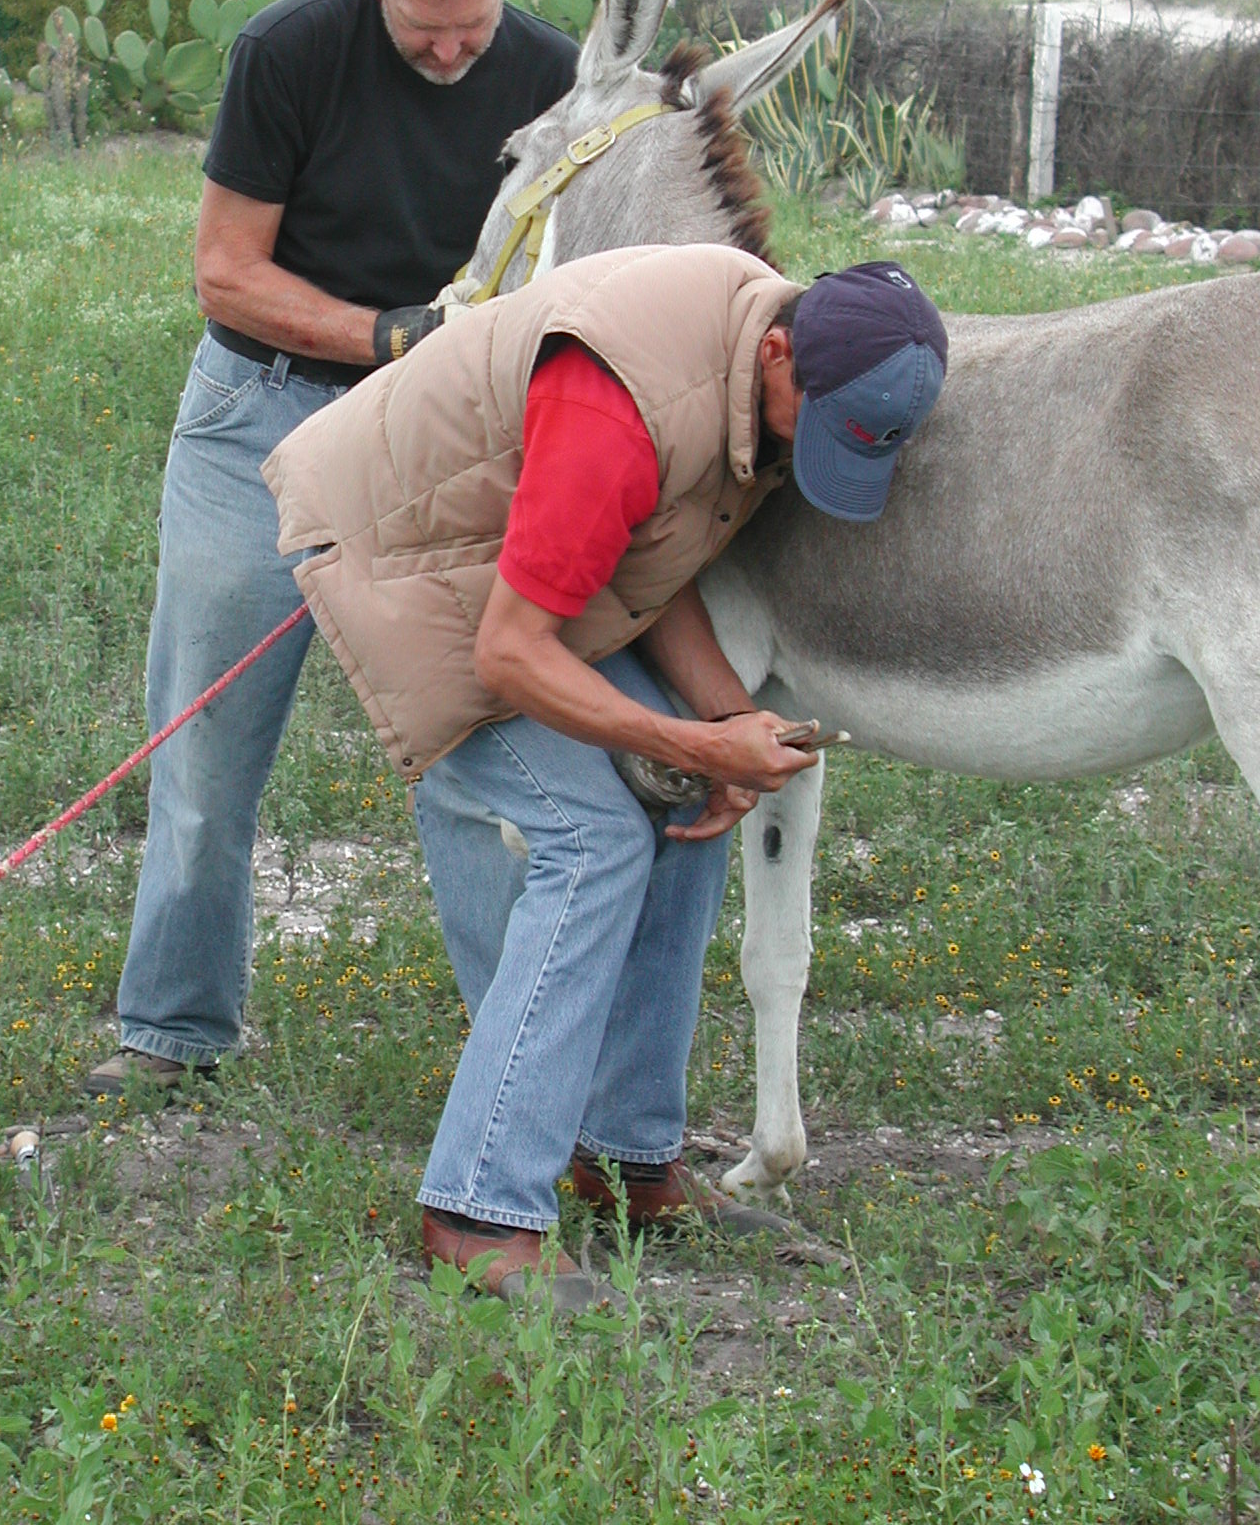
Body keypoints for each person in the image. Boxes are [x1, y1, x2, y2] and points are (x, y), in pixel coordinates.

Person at [264, 248, 947, 1307]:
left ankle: (625, 1160)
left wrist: (724, 723)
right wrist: (697, 744)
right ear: (778, 351)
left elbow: (641, 555)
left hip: (516, 551)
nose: (802, 453)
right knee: (595, 838)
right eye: (814, 426)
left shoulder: (744, 363)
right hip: (402, 553)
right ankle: (476, 1207)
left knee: (683, 803)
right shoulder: (619, 404)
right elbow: (510, 653)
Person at [88, 0, 578, 1096]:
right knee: (206, 742)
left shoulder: (554, 73)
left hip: (447, 436)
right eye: (423, 28)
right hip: (263, 413)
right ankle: (172, 1031)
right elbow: (224, 271)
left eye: (472, 27)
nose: (452, 53)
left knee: (477, 755)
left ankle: (520, 1068)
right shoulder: (288, 50)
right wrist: (390, 335)